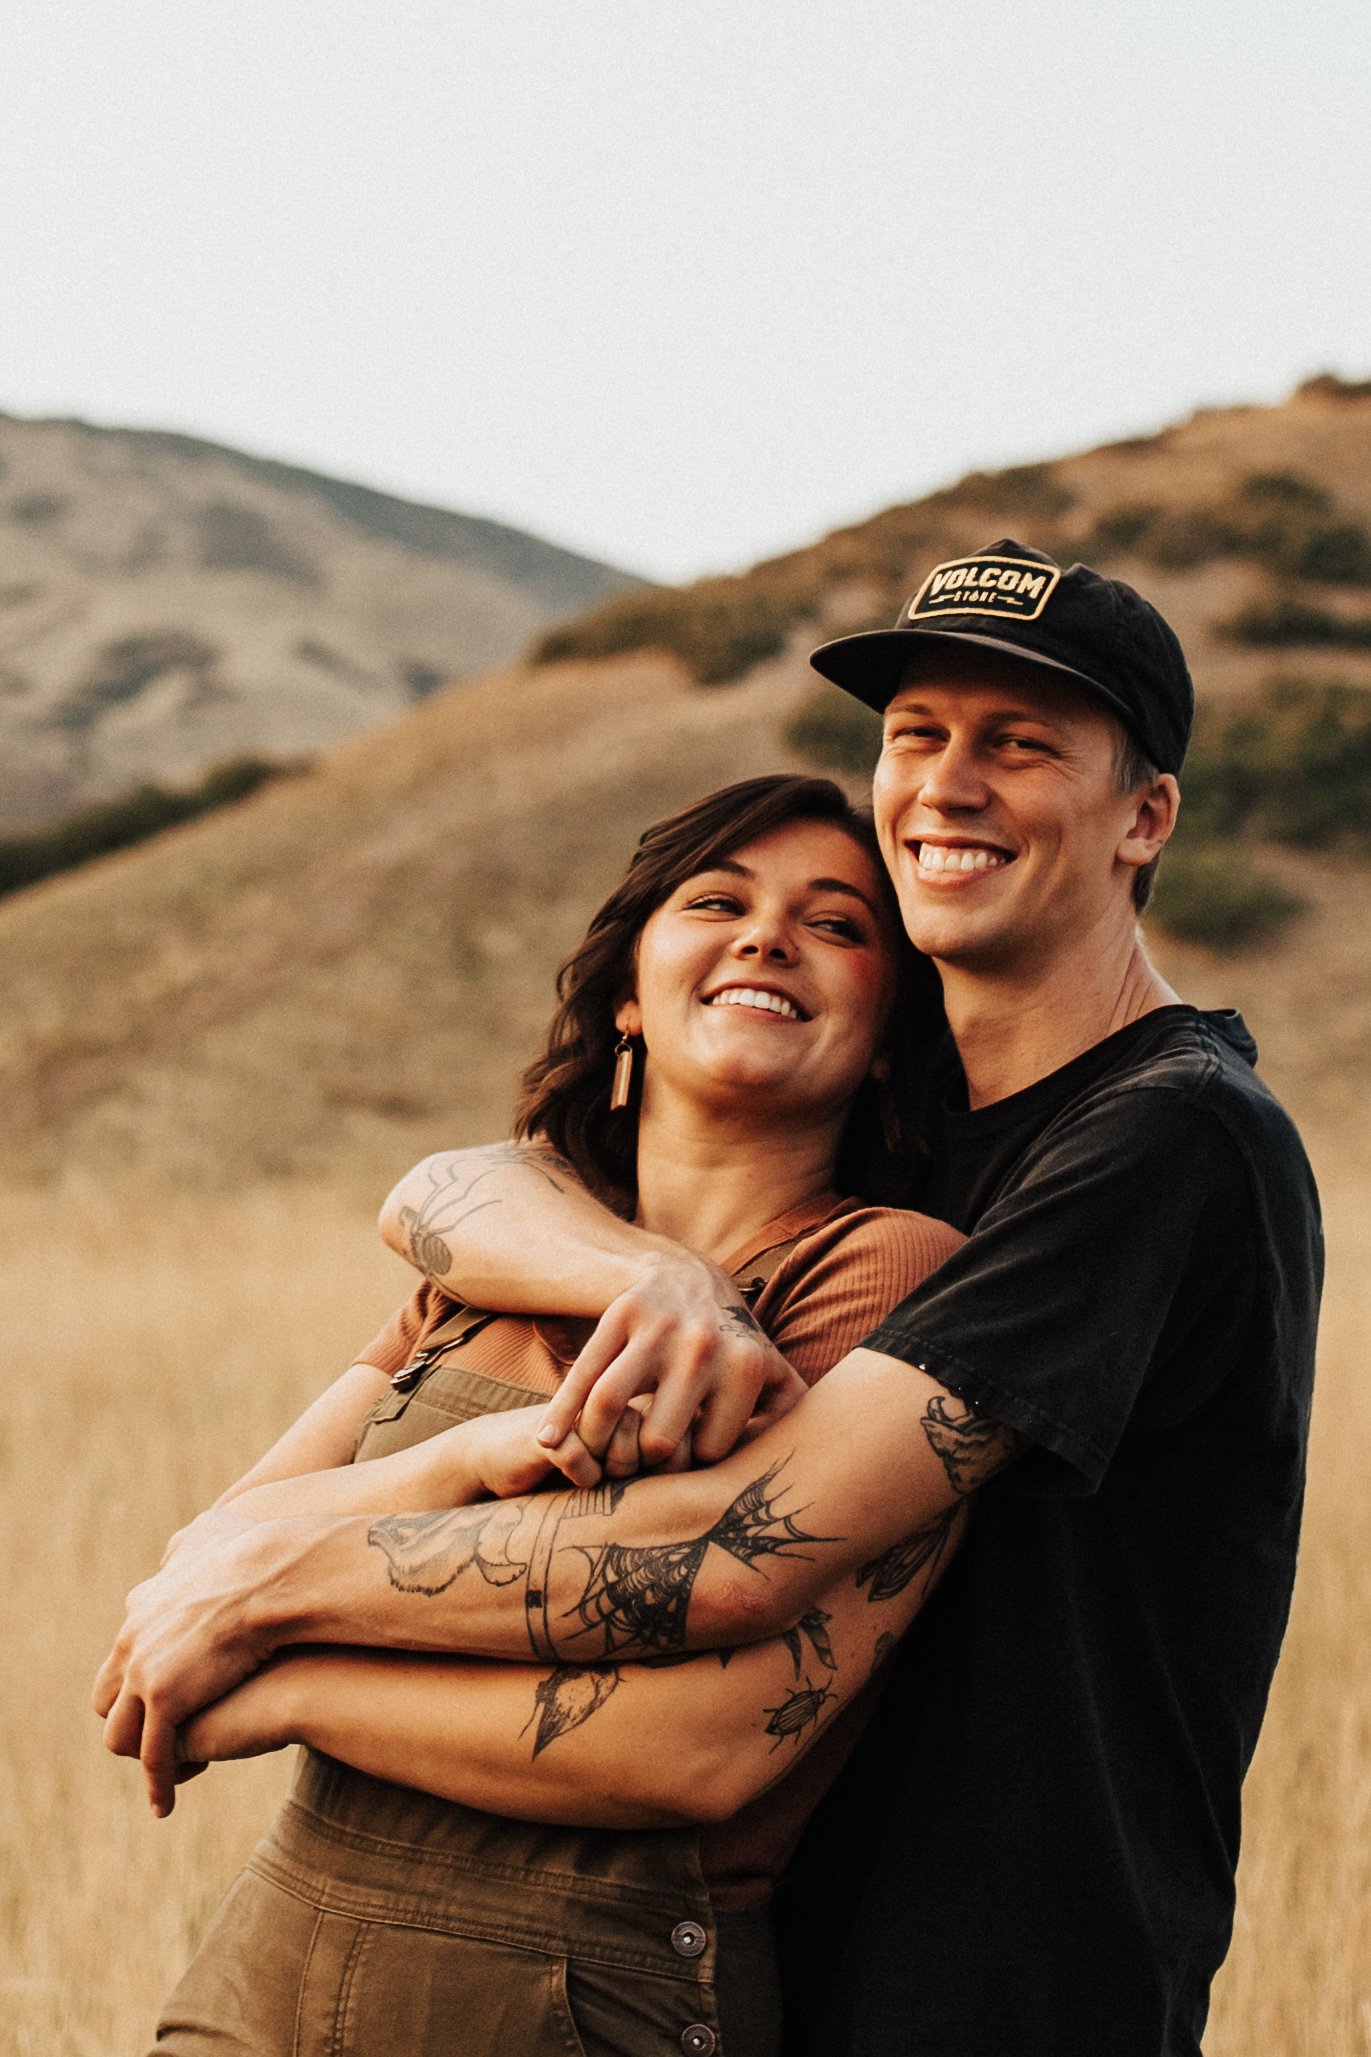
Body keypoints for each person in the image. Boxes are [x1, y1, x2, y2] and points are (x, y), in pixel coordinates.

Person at [98, 540, 1323, 2057]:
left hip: (1004, 1979)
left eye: (1019, 744)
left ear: (1145, 817)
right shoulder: (925, 1129)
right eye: (916, 738)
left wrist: (267, 1618)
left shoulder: (1161, 1135)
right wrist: (648, 1274)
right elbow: (453, 1189)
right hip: (789, 1954)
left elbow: (730, 1558)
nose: (947, 786)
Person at [110, 774, 964, 2057]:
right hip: (266, 1962)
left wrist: (281, 1682)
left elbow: (699, 1754)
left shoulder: (877, 1268)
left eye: (837, 924)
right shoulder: (493, 1258)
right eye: (717, 899)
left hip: (582, 1989)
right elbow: (213, 1547)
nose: (767, 935)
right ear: (628, 992)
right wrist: (470, 1456)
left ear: (889, 1027)